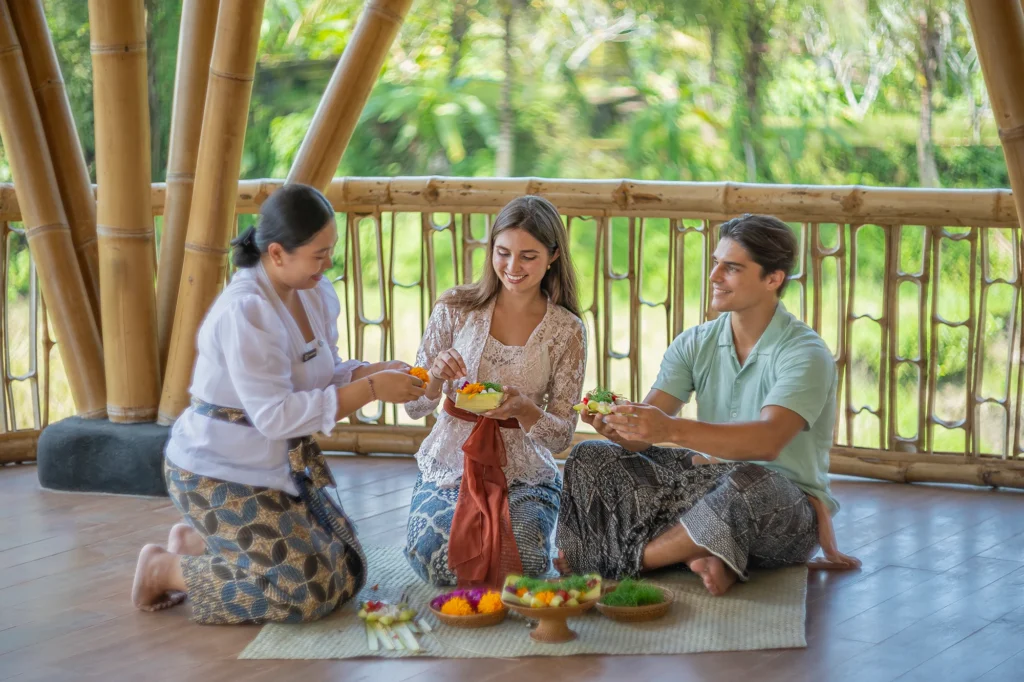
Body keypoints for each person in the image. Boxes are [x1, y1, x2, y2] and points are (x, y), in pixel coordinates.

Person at [131, 183, 425, 623]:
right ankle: (163, 569)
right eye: (318, 254)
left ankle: (200, 545)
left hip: (275, 469)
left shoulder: (313, 291)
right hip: (216, 472)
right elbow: (276, 416)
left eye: (330, 251)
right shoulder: (247, 311)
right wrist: (372, 390)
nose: (328, 264)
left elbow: (321, 375)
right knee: (307, 593)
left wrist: (369, 372)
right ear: (277, 253)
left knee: (347, 568)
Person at [555, 213, 859, 597]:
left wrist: (670, 429)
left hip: (781, 508)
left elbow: (767, 442)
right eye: (716, 263)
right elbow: (641, 440)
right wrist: (620, 427)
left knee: (752, 482)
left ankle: (626, 559)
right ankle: (702, 550)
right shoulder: (694, 342)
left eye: (731, 268)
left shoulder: (805, 353)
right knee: (590, 456)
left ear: (773, 278)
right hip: (706, 486)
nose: (714, 276)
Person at [404, 195, 587, 587]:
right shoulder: (455, 308)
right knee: (434, 554)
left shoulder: (567, 330)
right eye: (502, 253)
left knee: (525, 559)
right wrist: (434, 376)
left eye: (528, 256)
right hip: (452, 460)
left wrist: (524, 410)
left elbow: (561, 438)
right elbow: (415, 407)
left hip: (525, 469)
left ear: (553, 256)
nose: (512, 267)